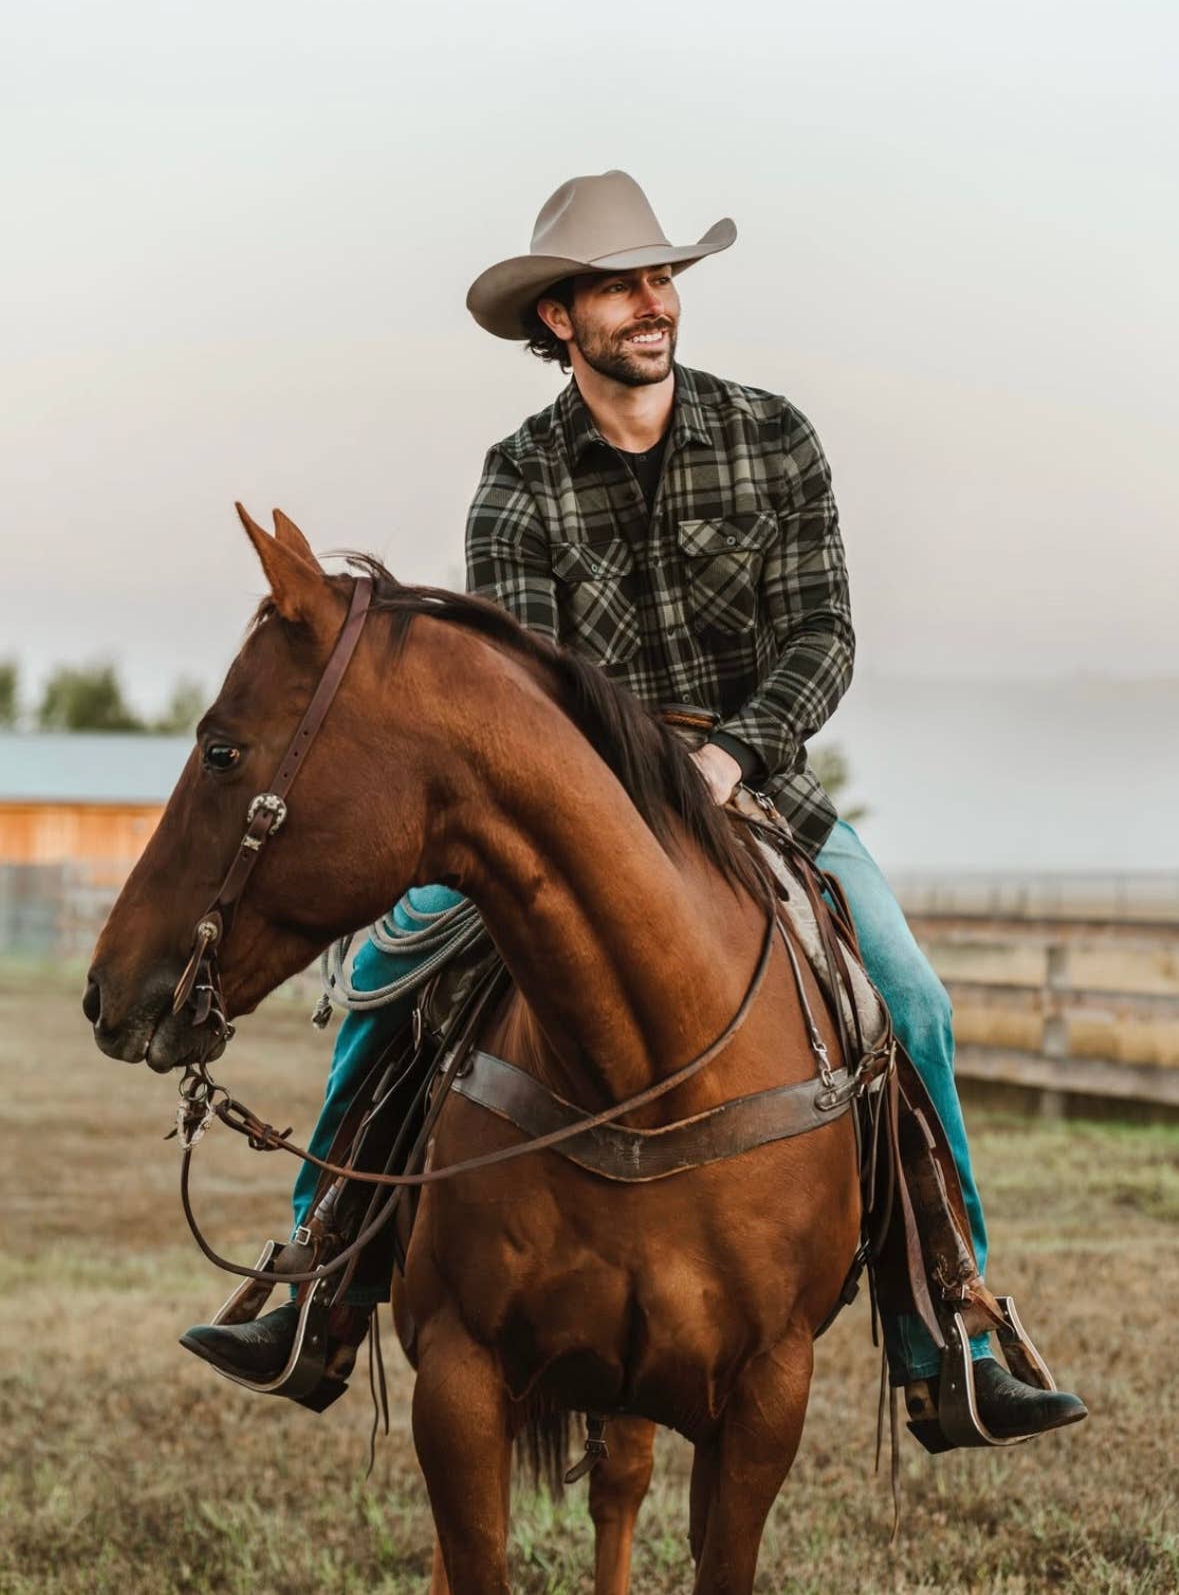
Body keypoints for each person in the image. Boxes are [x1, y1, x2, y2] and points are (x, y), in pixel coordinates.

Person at [182, 170, 1086, 1442]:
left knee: (911, 1003)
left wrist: (733, 762)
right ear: (560, 322)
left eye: (661, 278)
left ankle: (950, 1324)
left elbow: (822, 633)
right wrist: (627, 791)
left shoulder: (775, 438)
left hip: (756, 789)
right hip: (572, 805)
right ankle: (318, 1273)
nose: (652, 303)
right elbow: (530, 690)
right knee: (390, 974)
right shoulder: (518, 477)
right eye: (619, 285)